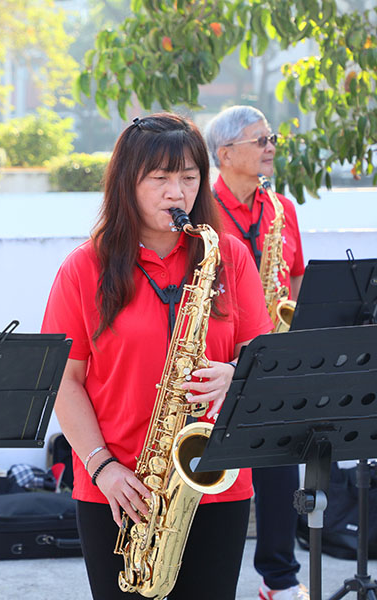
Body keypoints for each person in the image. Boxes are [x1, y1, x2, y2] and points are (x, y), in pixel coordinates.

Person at [41, 113, 274, 599]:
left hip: (214, 480)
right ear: (127, 183)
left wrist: (234, 373)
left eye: (189, 178)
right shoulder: (84, 268)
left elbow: (260, 352)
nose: (177, 193)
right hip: (121, 488)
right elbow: (64, 381)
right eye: (161, 178)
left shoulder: (226, 255)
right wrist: (102, 466)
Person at [206, 105, 307, 600]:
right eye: (259, 140)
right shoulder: (200, 209)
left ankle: (280, 579)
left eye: (272, 138)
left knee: (283, 465)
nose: (270, 147)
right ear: (225, 154)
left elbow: (298, 278)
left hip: (272, 358)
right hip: (219, 359)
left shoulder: (282, 209)